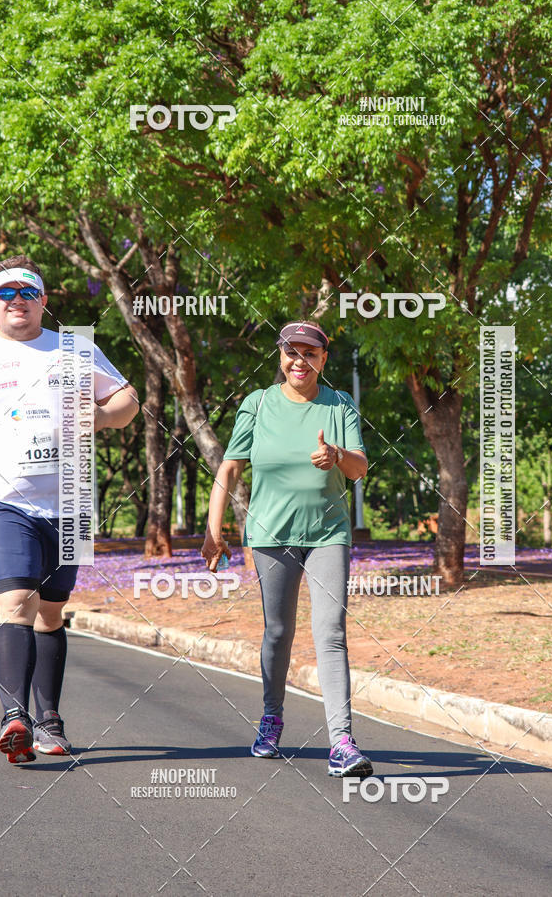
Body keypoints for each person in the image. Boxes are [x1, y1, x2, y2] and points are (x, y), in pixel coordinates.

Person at [201, 320, 373, 777]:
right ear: (280, 356)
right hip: (271, 535)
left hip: (328, 534)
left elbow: (359, 468)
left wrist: (337, 455)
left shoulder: (340, 404)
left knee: (330, 632)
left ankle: (342, 742)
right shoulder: (258, 404)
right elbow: (230, 467)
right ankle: (272, 718)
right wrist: (213, 529)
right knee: (278, 632)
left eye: (310, 353)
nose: (300, 361)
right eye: (292, 352)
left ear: (323, 359)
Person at [0, 255, 139, 763]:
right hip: (3, 502)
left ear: (43, 300)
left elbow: (128, 402)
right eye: (6, 292)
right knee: (15, 604)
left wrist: (98, 416)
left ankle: (49, 719)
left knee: (51, 612)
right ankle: (15, 717)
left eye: (28, 291)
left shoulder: (74, 347)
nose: (17, 300)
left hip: (70, 501)